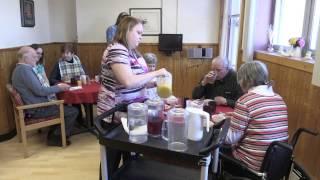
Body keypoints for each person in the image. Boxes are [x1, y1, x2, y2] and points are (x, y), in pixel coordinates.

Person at [97, 16, 169, 178]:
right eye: (138, 32)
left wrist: (155, 83)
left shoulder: (132, 52)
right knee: (111, 161)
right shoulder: (116, 49)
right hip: (115, 115)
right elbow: (128, 81)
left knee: (132, 159)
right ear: (126, 30)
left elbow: (138, 81)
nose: (141, 37)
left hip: (134, 113)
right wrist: (157, 73)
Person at [221, 61, 289, 175]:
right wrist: (233, 116)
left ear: (245, 80)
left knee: (217, 147)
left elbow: (230, 139)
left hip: (252, 166)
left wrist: (218, 126)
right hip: (275, 164)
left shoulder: (245, 101)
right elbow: (259, 119)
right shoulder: (279, 98)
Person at [11, 46, 79, 146]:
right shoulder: (24, 70)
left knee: (64, 107)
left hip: (35, 106)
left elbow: (39, 89)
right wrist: (59, 87)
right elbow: (41, 91)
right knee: (73, 111)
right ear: (25, 58)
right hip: (37, 109)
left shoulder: (20, 69)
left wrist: (56, 87)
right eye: (34, 56)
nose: (36, 58)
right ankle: (56, 138)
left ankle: (54, 133)